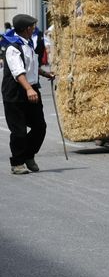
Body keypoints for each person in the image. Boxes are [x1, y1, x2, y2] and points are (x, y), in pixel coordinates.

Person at [4, 14, 53, 174]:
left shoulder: (28, 44)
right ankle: (17, 163)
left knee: (40, 127)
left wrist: (45, 74)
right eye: (32, 26)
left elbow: (31, 66)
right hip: (16, 92)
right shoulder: (13, 47)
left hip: (30, 88)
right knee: (19, 131)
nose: (34, 28)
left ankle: (28, 155)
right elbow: (18, 72)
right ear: (26, 29)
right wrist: (29, 89)